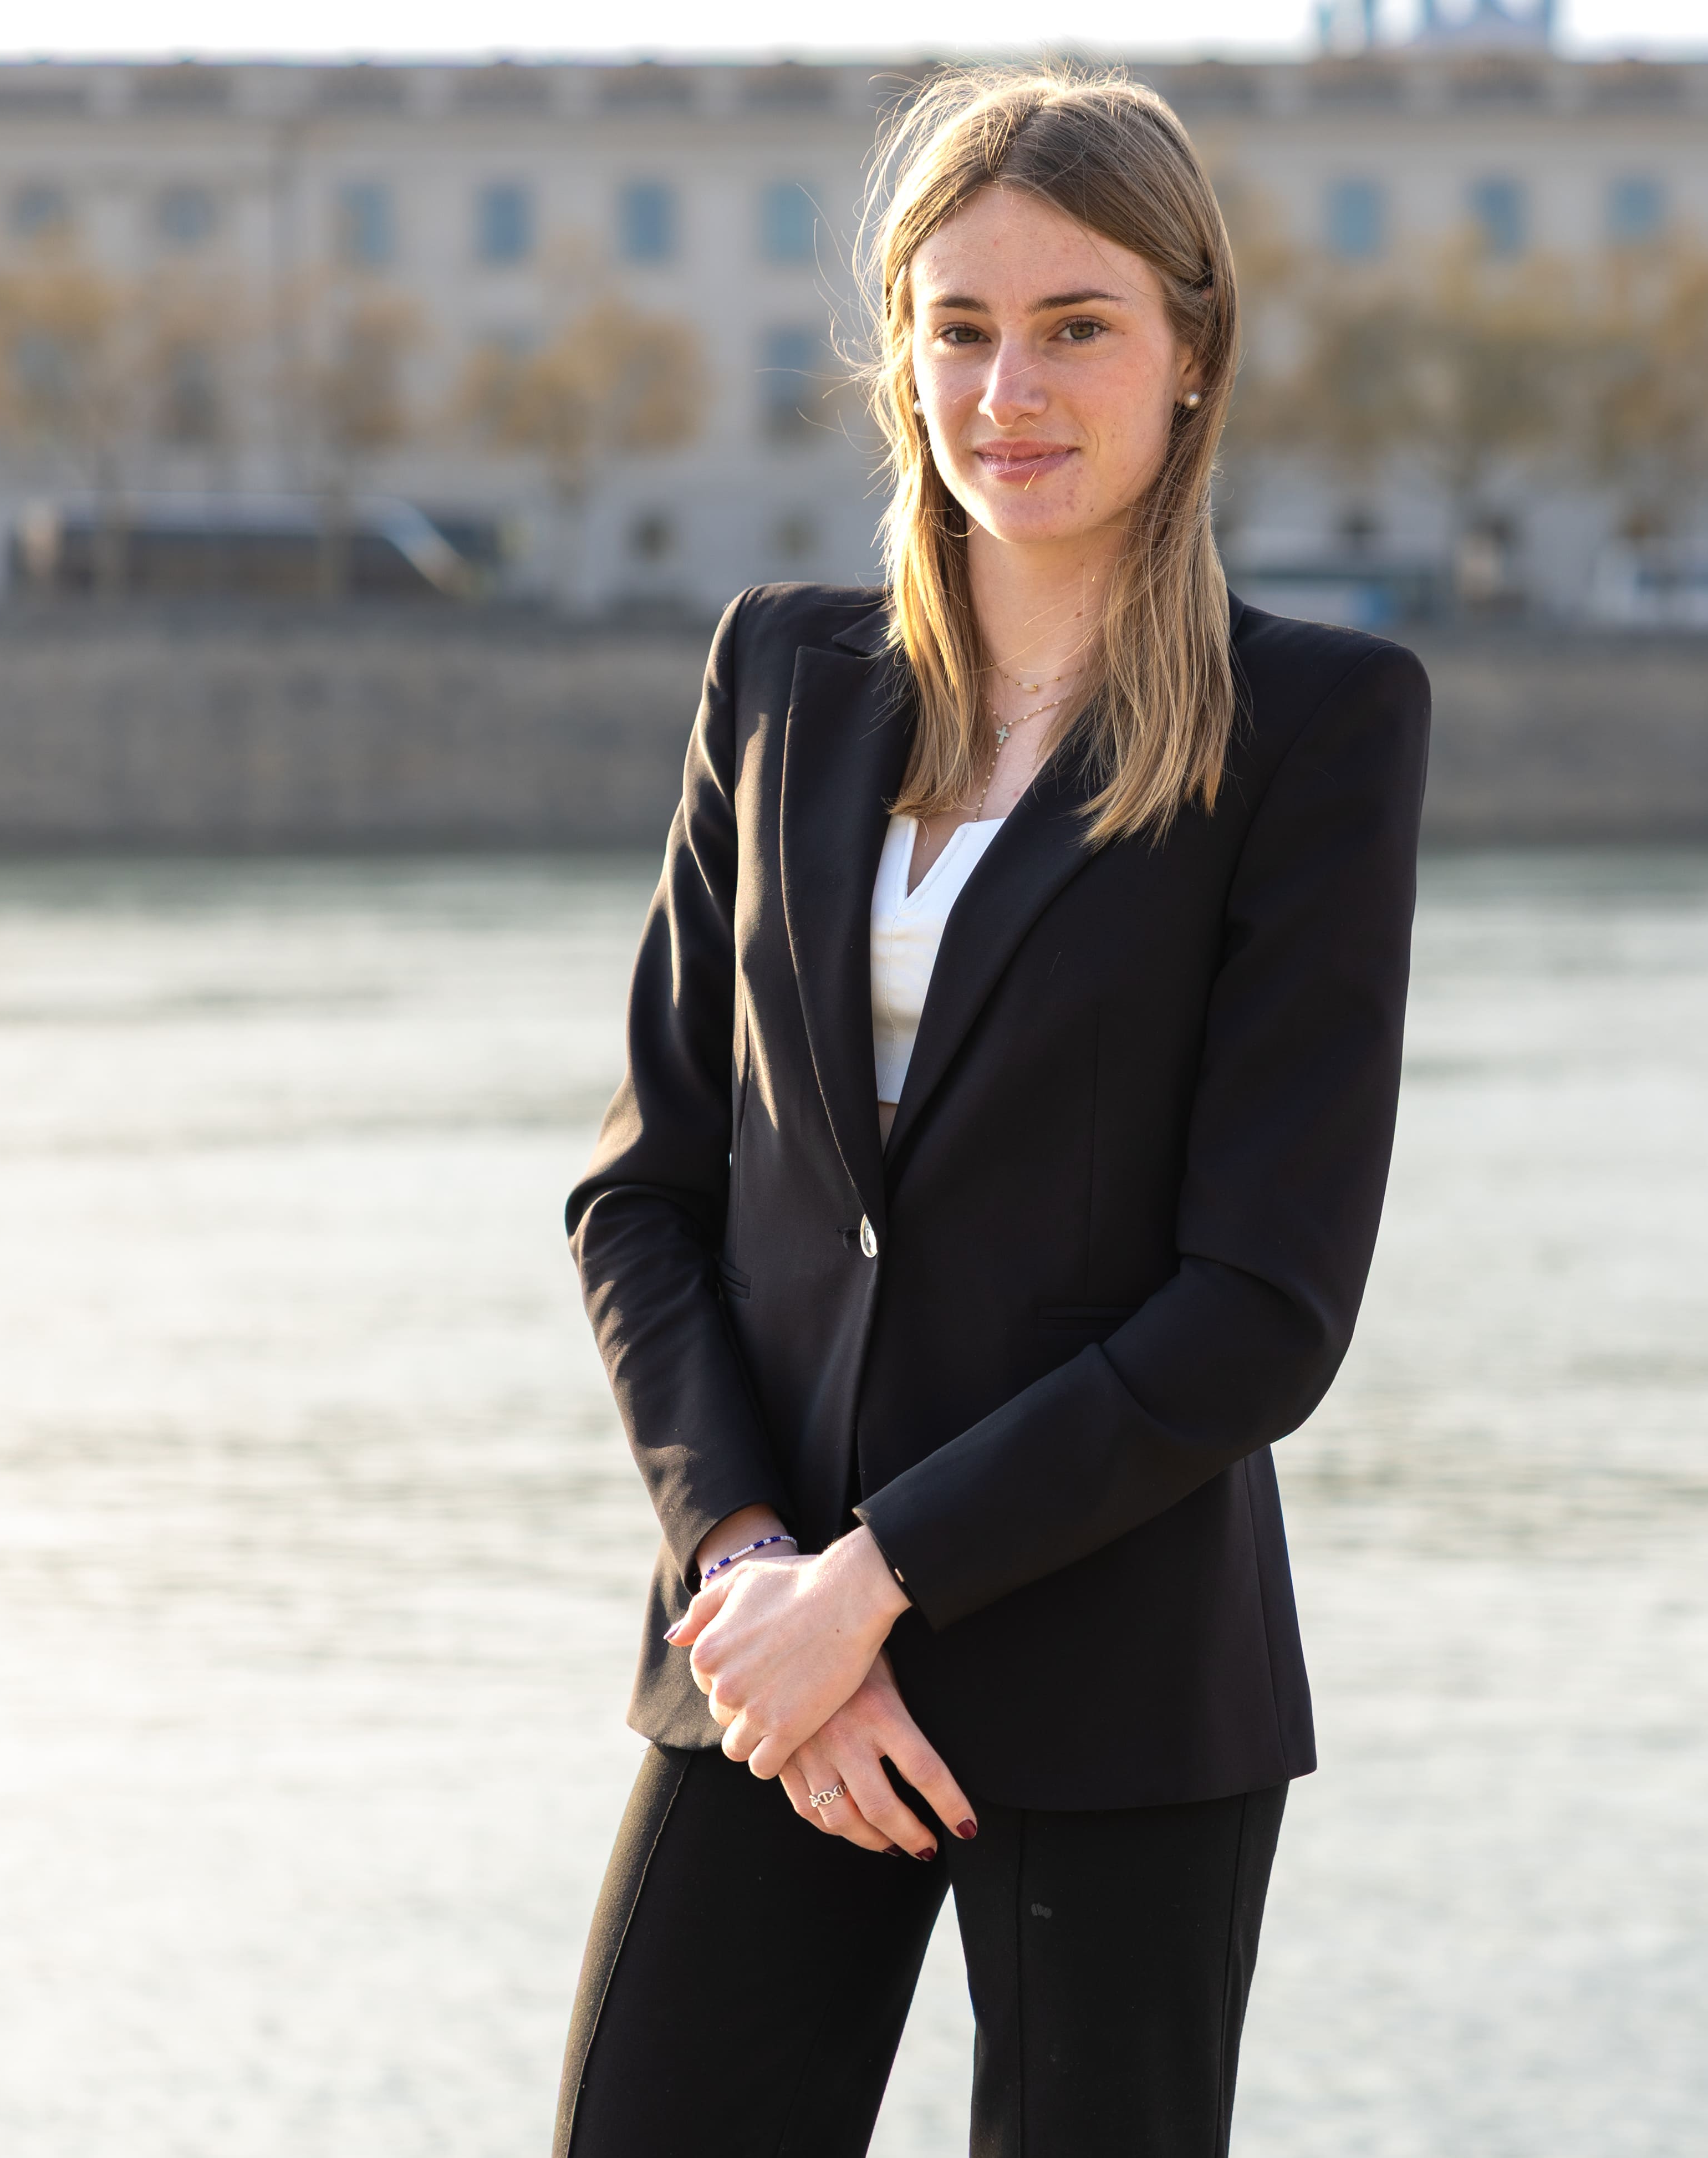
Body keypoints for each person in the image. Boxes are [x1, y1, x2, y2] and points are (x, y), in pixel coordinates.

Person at [548, 65, 1432, 2158]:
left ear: (1193, 353)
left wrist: (883, 1580)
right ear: (897, 355)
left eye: (1077, 324)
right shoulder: (780, 677)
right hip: (768, 1674)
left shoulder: (1318, 727)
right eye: (958, 326)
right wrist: (763, 1568)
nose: (1007, 386)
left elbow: (1265, 1310)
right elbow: (644, 1195)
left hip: (1116, 1674)